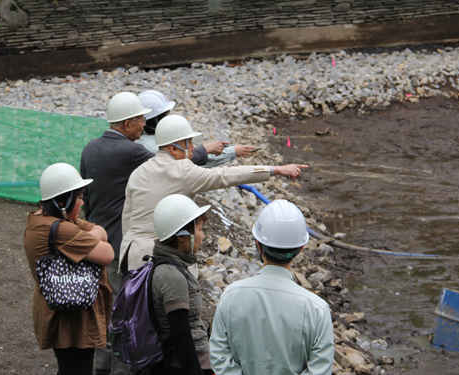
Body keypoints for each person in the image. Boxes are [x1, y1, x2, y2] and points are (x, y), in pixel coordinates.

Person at [79, 92, 210, 375]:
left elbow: (86, 199)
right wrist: (205, 150)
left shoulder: (90, 148)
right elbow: (168, 164)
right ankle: (123, 369)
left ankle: (102, 369)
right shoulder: (133, 153)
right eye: (140, 119)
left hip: (96, 244)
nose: (143, 124)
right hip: (119, 250)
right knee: (127, 316)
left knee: (106, 311)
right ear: (127, 124)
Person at [119, 114, 308, 272]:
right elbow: (225, 174)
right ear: (174, 149)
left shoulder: (139, 171)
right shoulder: (183, 170)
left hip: (129, 253)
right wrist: (275, 169)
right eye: (189, 142)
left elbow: (127, 217)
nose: (194, 147)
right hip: (156, 259)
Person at [209, 200, 334, 375]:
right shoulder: (317, 310)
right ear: (301, 248)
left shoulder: (230, 296)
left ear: (258, 245)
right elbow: (319, 371)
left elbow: (219, 358)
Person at [23, 163, 115, 375]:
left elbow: (98, 230)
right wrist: (82, 242)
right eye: (80, 197)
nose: (83, 203)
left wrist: (81, 242)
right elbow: (107, 253)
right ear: (63, 200)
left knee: (70, 368)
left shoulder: (44, 218)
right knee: (77, 369)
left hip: (61, 305)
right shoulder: (61, 229)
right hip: (71, 316)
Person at [147, 194, 213, 375]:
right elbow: (181, 332)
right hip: (184, 366)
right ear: (182, 237)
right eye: (199, 229)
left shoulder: (173, 267)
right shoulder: (171, 274)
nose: (203, 235)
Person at [137, 89, 255, 166]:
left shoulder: (147, 138)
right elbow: (189, 160)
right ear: (153, 120)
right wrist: (211, 149)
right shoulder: (150, 147)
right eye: (165, 115)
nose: (169, 118)